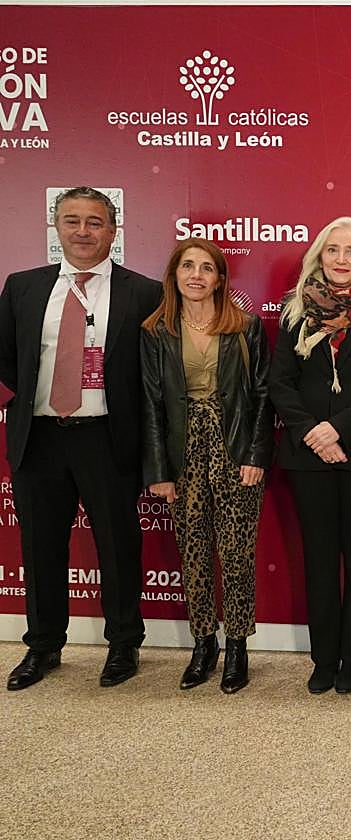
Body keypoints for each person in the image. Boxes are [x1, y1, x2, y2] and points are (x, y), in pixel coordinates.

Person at [0, 187, 161, 691]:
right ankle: (44, 646)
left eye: (95, 222)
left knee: (118, 545)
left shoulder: (145, 292)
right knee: (40, 545)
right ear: (56, 228)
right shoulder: (23, 287)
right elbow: (7, 359)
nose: (83, 232)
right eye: (72, 221)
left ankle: (123, 644)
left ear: (114, 230)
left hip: (107, 436)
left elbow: (153, 371)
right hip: (41, 436)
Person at [269, 217, 351, 695]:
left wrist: (337, 429)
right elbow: (279, 383)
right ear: (320, 257)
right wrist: (313, 433)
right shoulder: (293, 311)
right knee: (319, 559)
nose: (342, 259)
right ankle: (323, 656)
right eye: (333, 250)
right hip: (308, 454)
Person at [141, 238, 272, 693]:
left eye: (206, 268)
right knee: (193, 551)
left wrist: (256, 456)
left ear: (220, 278)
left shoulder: (245, 327)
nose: (196, 275)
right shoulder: (157, 331)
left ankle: (237, 644)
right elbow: (151, 405)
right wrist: (159, 471)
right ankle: (204, 643)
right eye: (187, 266)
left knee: (236, 552)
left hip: (233, 448)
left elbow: (261, 397)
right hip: (183, 452)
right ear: (174, 275)